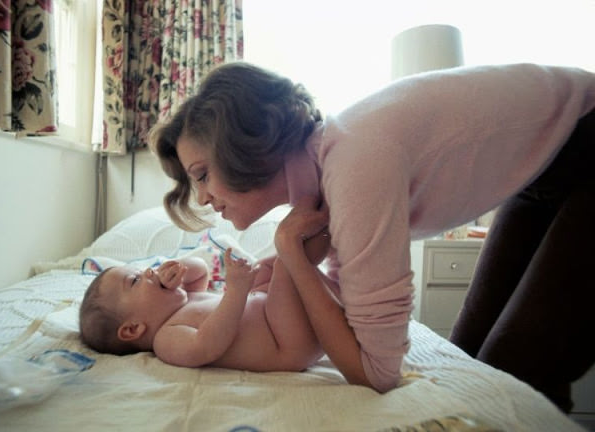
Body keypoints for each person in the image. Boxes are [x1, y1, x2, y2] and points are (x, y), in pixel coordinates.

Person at [149, 61, 595, 410]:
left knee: (516, 369)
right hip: (547, 175)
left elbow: (376, 371)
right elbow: (351, 310)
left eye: (202, 175)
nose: (203, 198)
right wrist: (291, 264)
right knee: (470, 362)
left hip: (586, 138)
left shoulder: (355, 164)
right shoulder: (331, 177)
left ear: (244, 145)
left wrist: (291, 256)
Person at [79, 235, 330, 372]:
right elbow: (207, 345)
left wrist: (178, 269)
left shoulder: (183, 302)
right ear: (133, 328)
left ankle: (324, 239)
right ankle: (322, 238)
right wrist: (237, 291)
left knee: (264, 268)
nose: (147, 272)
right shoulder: (166, 340)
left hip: (273, 313)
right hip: (287, 344)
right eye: (134, 280)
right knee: (286, 260)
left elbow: (199, 270)